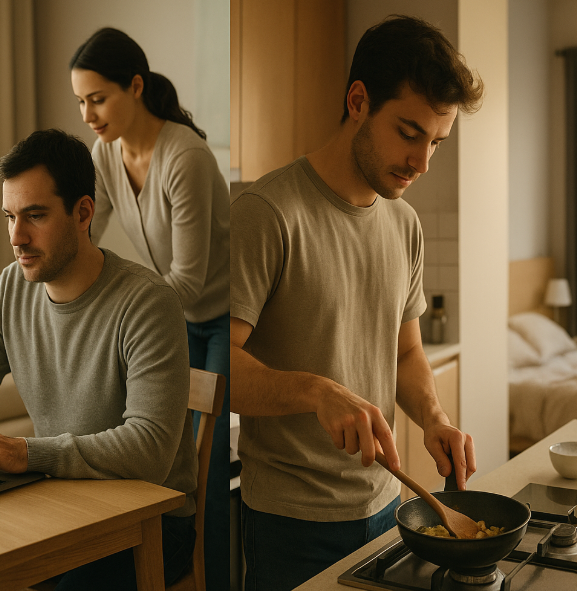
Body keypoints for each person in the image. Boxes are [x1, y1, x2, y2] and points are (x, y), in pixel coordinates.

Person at [230, 15, 483, 588]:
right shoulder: (268, 213)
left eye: (436, 143)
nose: (421, 163)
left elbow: (407, 351)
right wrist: (315, 391)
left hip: (390, 506)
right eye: (409, 133)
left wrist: (435, 419)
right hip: (291, 522)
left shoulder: (404, 222)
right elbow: (218, 366)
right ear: (359, 101)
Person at [0, 129, 197, 589]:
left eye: (35, 216)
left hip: (152, 521)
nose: (16, 236)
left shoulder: (148, 303)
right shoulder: (11, 287)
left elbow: (149, 449)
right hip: (61, 501)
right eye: (9, 216)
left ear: (83, 212)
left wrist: (28, 453)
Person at [70, 27, 230, 589]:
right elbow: (88, 235)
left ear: (135, 87)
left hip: (224, 318)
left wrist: (123, 312)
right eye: (81, 102)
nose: (88, 114)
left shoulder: (184, 156)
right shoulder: (104, 153)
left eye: (98, 98)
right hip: (177, 314)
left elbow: (187, 279)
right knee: (163, 459)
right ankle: (161, 566)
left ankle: (207, 575)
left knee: (206, 476)